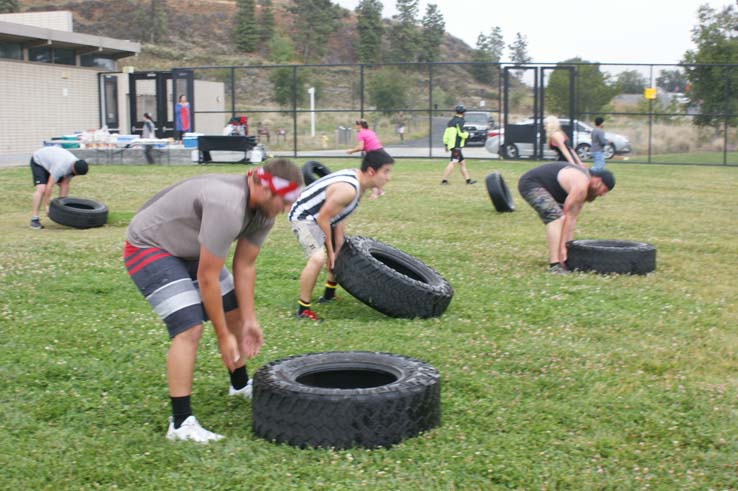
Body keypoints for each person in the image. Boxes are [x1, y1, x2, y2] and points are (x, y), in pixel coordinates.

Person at [123, 159, 303, 443]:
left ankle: (240, 384)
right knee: (189, 328)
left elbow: (244, 265)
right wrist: (222, 336)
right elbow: (207, 277)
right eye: (284, 200)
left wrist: (250, 320)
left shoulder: (265, 212)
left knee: (235, 314)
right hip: (150, 247)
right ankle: (181, 424)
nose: (286, 208)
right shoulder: (228, 205)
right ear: (263, 186)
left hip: (191, 249)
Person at [289, 149, 394, 321]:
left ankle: (328, 294)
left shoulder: (360, 185)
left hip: (322, 216)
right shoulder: (349, 189)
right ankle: (303, 310)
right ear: (371, 171)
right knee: (318, 258)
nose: (388, 177)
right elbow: (323, 217)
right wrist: (329, 249)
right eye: (386, 172)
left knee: (341, 248)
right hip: (304, 217)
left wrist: (338, 245)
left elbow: (339, 215)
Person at [518, 162, 615, 274]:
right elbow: (566, 214)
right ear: (597, 181)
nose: (602, 195)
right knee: (556, 218)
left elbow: (571, 219)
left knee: (561, 219)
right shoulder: (581, 185)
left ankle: (562, 260)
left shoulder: (584, 188)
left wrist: (568, 250)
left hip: (549, 189)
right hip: (531, 184)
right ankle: (555, 265)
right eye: (603, 190)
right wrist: (562, 250)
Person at [29, 145, 89, 229]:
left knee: (63, 183)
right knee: (42, 189)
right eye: (74, 173)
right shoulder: (61, 167)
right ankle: (34, 219)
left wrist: (62, 210)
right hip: (39, 161)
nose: (74, 175)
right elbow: (49, 186)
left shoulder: (76, 167)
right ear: (72, 167)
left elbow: (65, 184)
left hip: (52, 161)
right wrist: (47, 205)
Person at [346, 119, 385, 199]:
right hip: (380, 152)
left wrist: (351, 151)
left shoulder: (361, 133)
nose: (355, 126)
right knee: (372, 172)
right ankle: (380, 191)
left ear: (360, 125)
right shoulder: (370, 131)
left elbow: (360, 147)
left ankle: (374, 194)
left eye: (356, 125)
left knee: (369, 173)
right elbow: (369, 144)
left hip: (374, 153)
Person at [440, 105, 476, 185]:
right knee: (453, 162)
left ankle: (468, 180)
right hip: (457, 146)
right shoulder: (460, 121)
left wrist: (446, 144)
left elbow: (446, 134)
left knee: (462, 163)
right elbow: (461, 133)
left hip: (453, 146)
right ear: (463, 113)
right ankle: (444, 181)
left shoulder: (451, 121)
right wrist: (469, 135)